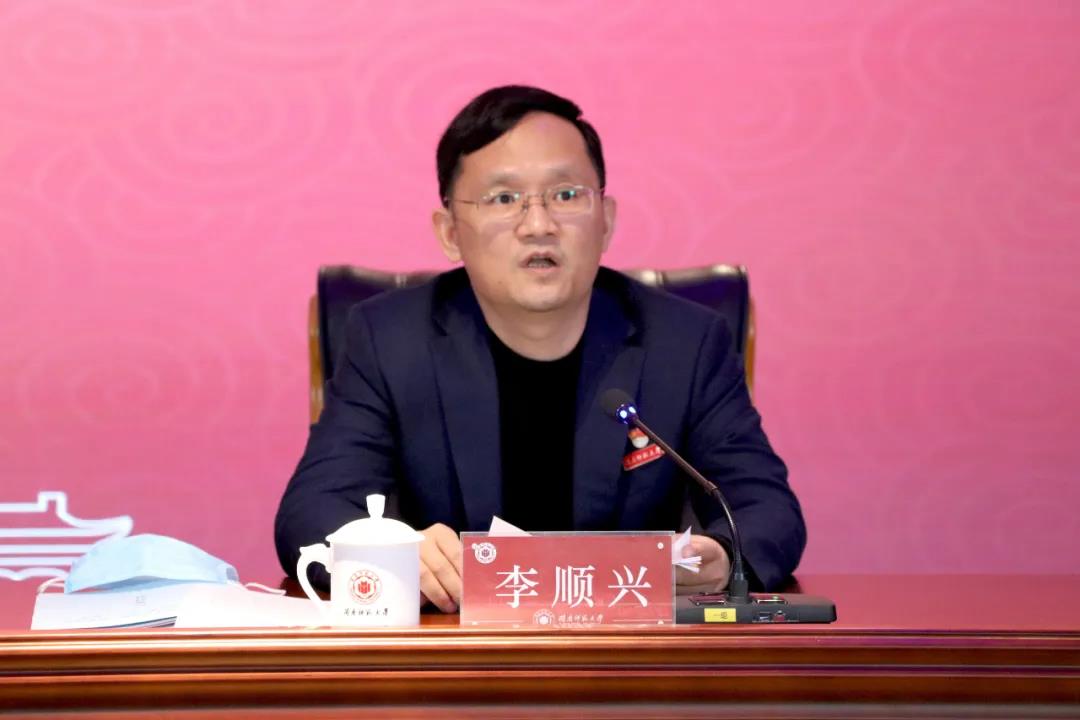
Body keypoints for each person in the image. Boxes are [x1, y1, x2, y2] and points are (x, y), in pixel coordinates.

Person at [275, 85, 805, 612]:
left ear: (606, 220)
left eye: (566, 195)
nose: (538, 226)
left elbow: (767, 511)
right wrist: (396, 552)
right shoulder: (390, 340)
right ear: (450, 232)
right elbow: (312, 511)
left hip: (628, 644)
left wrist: (723, 556)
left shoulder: (685, 343)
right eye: (504, 199)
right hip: (452, 646)